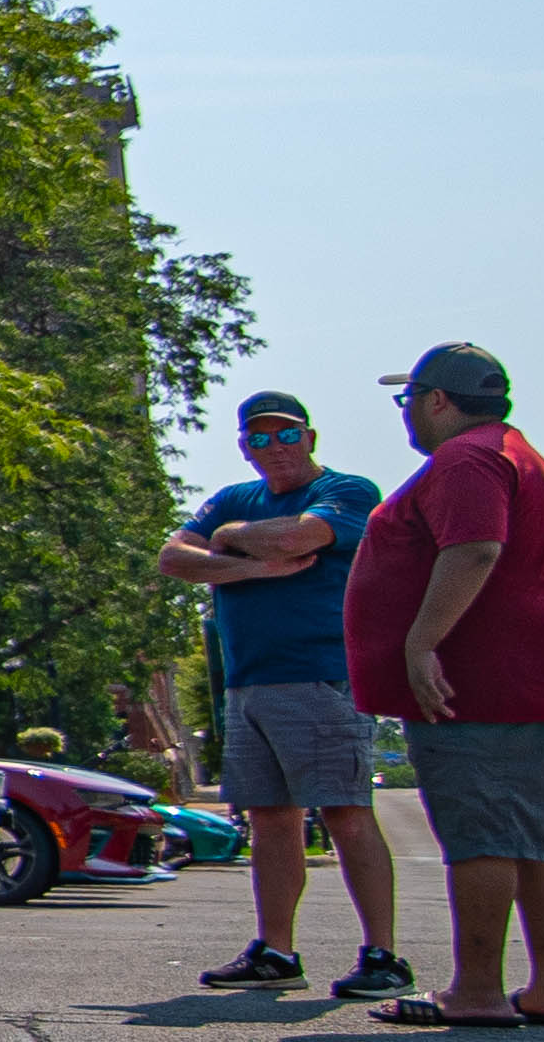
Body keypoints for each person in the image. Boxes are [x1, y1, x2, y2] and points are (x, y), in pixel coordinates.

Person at [344, 342, 544, 1027]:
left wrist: (421, 642)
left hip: (481, 684)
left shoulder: (467, 458)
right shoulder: (522, 455)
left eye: (408, 400)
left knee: (482, 837)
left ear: (437, 401)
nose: (406, 413)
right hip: (539, 678)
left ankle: (477, 991)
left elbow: (476, 548)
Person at [158, 393, 403, 996]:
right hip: (247, 683)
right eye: (261, 438)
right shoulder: (233, 496)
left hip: (320, 677)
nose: (276, 447)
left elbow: (302, 536)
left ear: (310, 437)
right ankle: (276, 952)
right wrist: (251, 566)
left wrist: (229, 539)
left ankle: (383, 957)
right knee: (270, 820)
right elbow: (173, 557)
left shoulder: (346, 490)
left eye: (287, 434)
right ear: (245, 446)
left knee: (345, 812)